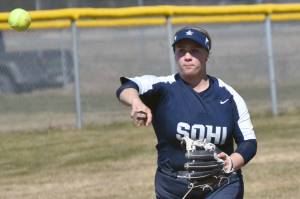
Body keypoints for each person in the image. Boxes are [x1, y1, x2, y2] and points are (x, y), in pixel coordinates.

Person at [116, 26, 257, 199]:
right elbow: (127, 87)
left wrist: (232, 162)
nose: (187, 57)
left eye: (195, 51)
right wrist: (136, 102)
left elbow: (249, 142)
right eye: (181, 51)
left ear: (207, 55)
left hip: (221, 184)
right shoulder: (163, 88)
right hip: (172, 186)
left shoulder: (228, 96)